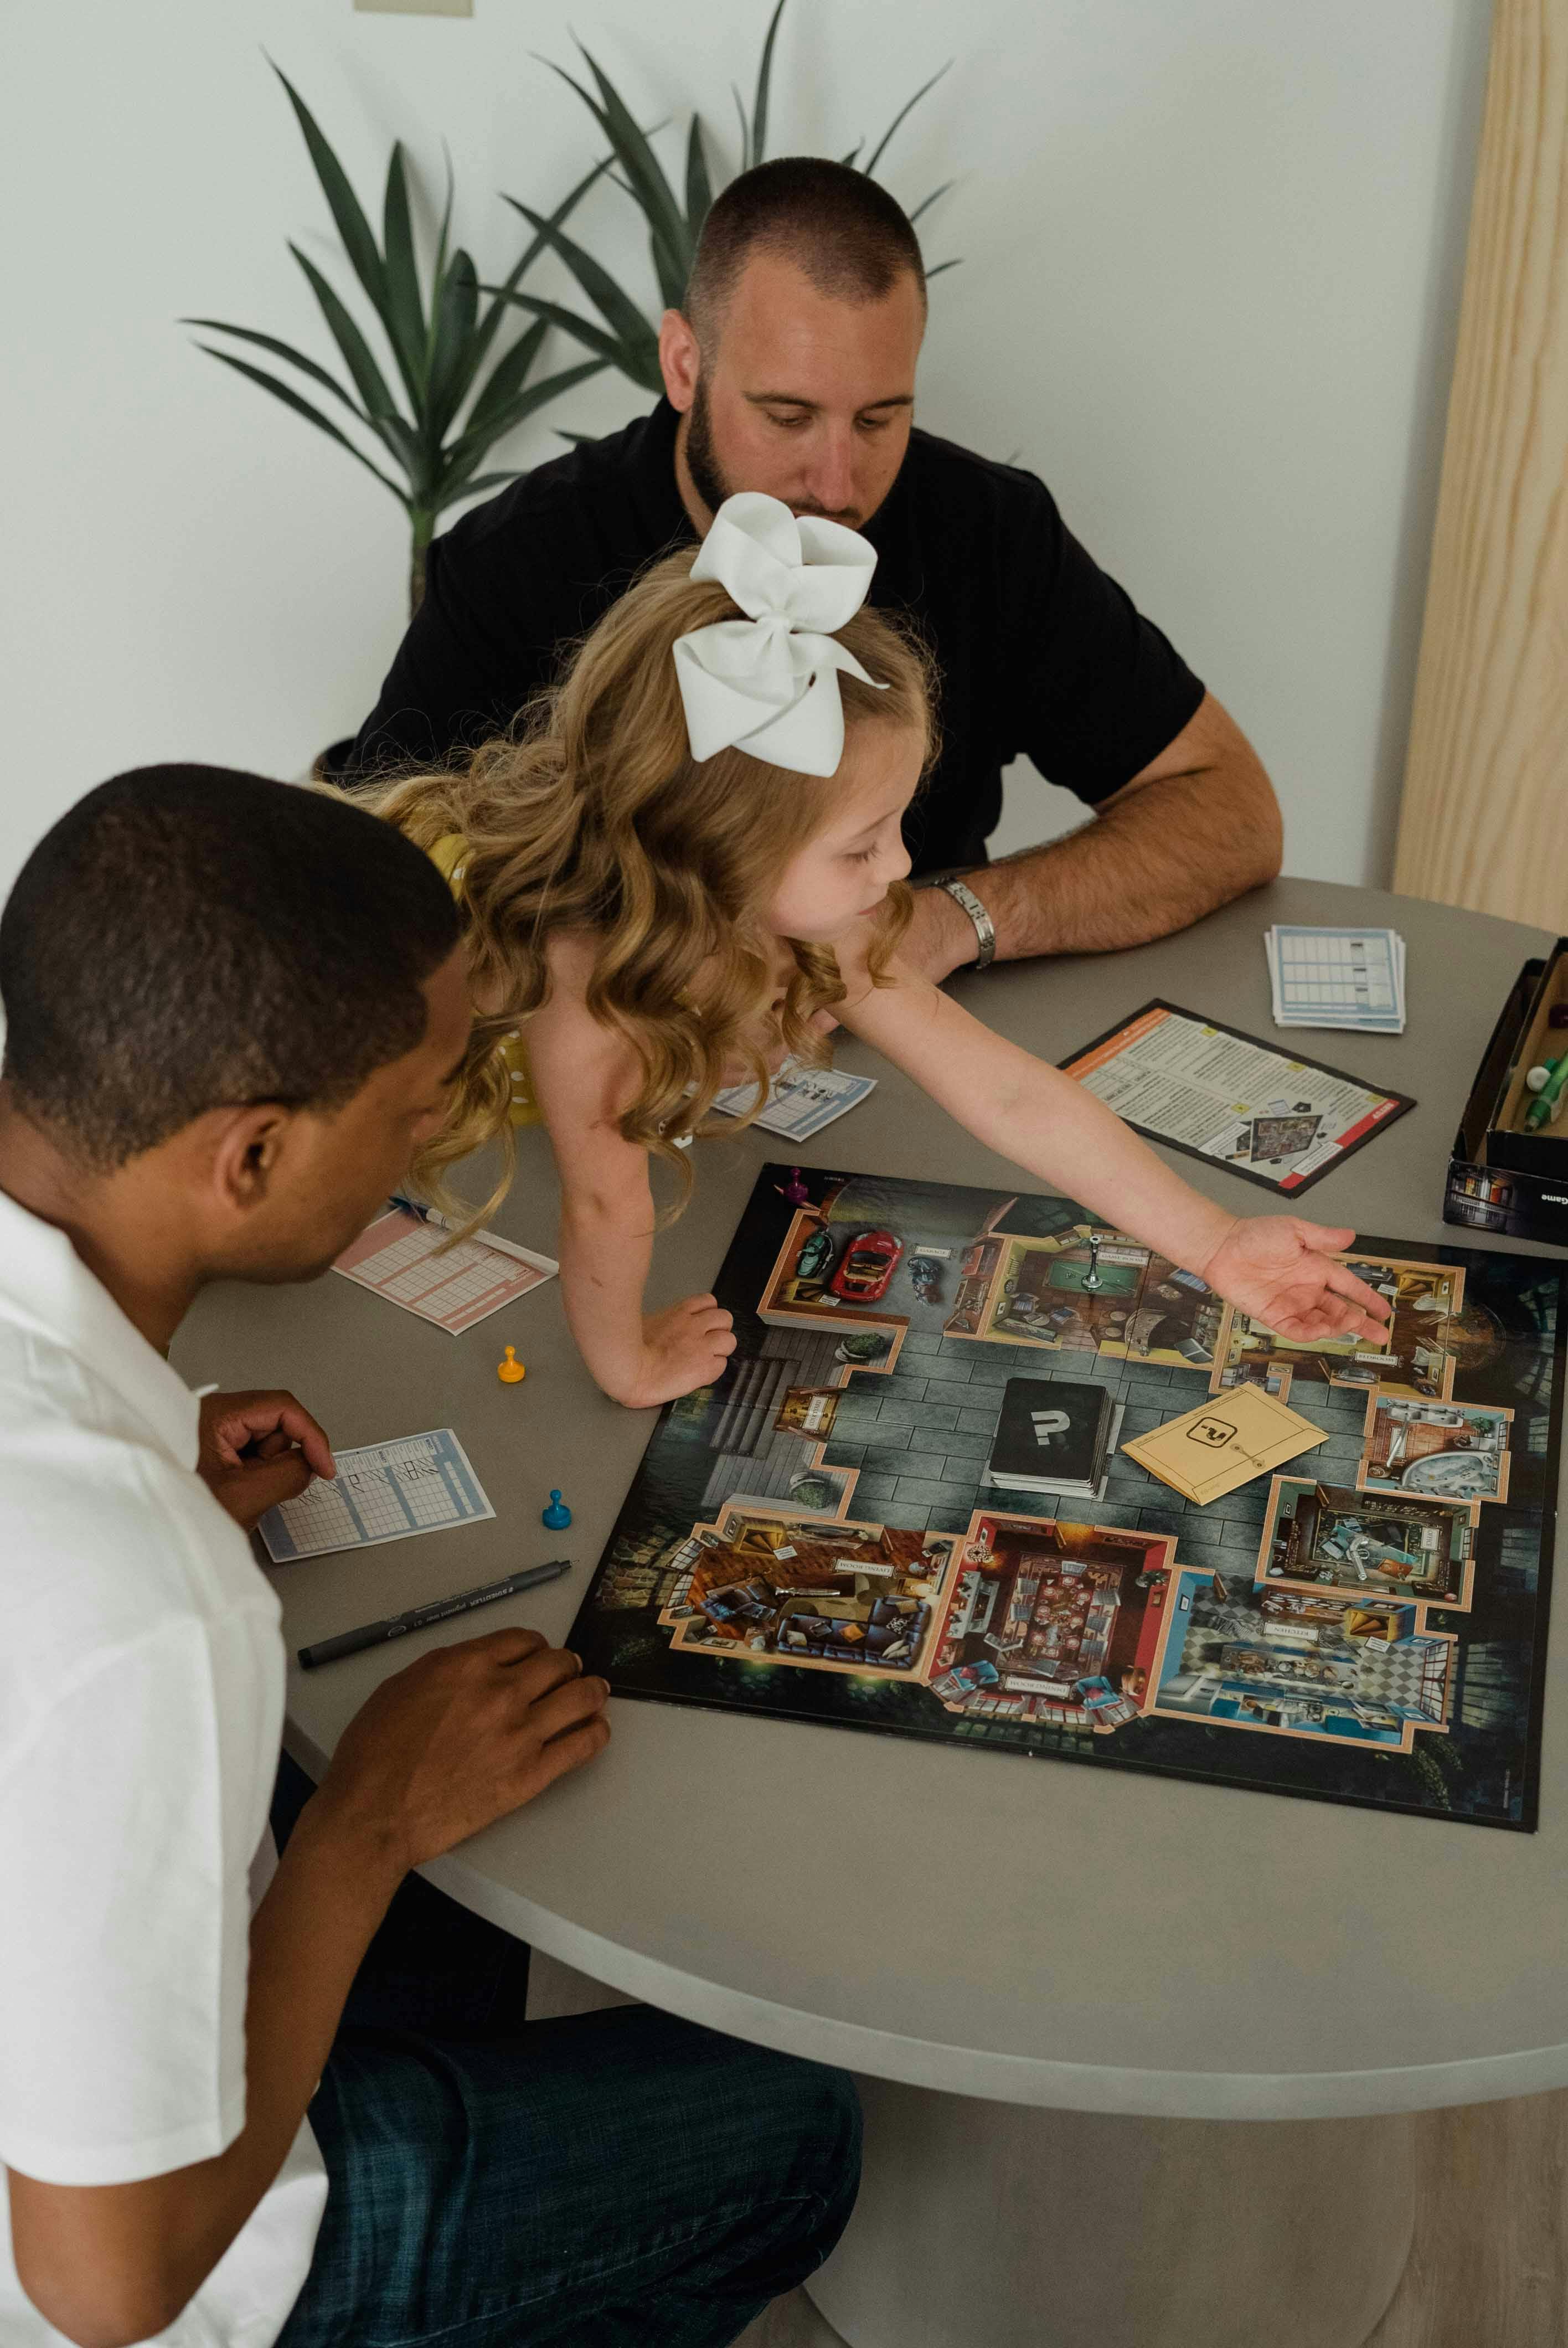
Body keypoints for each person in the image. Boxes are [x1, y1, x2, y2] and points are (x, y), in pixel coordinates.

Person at [0, 766, 859, 2348]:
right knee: (799, 2135)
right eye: (412, 1113)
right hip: (133, 2263)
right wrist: (364, 1825)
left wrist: (156, 1461)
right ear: (248, 1156)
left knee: (466, 1885)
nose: (439, 1138)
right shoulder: (139, 1610)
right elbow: (100, 2288)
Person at [364, 490, 1386, 1413]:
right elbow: (601, 1198)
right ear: (723, 851)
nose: (901, 868)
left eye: (899, 824)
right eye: (861, 844)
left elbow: (1010, 1095)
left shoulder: (820, 918)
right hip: (409, 1077)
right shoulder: (584, 992)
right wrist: (628, 1364)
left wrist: (1213, 1242)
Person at [340, 156, 1282, 988]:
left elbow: (1232, 813)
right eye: (787, 417)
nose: (837, 486)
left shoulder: (989, 532)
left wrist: (949, 924)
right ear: (683, 364)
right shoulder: (517, 558)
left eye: (880, 420)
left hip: (887, 1027)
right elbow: (368, 880)